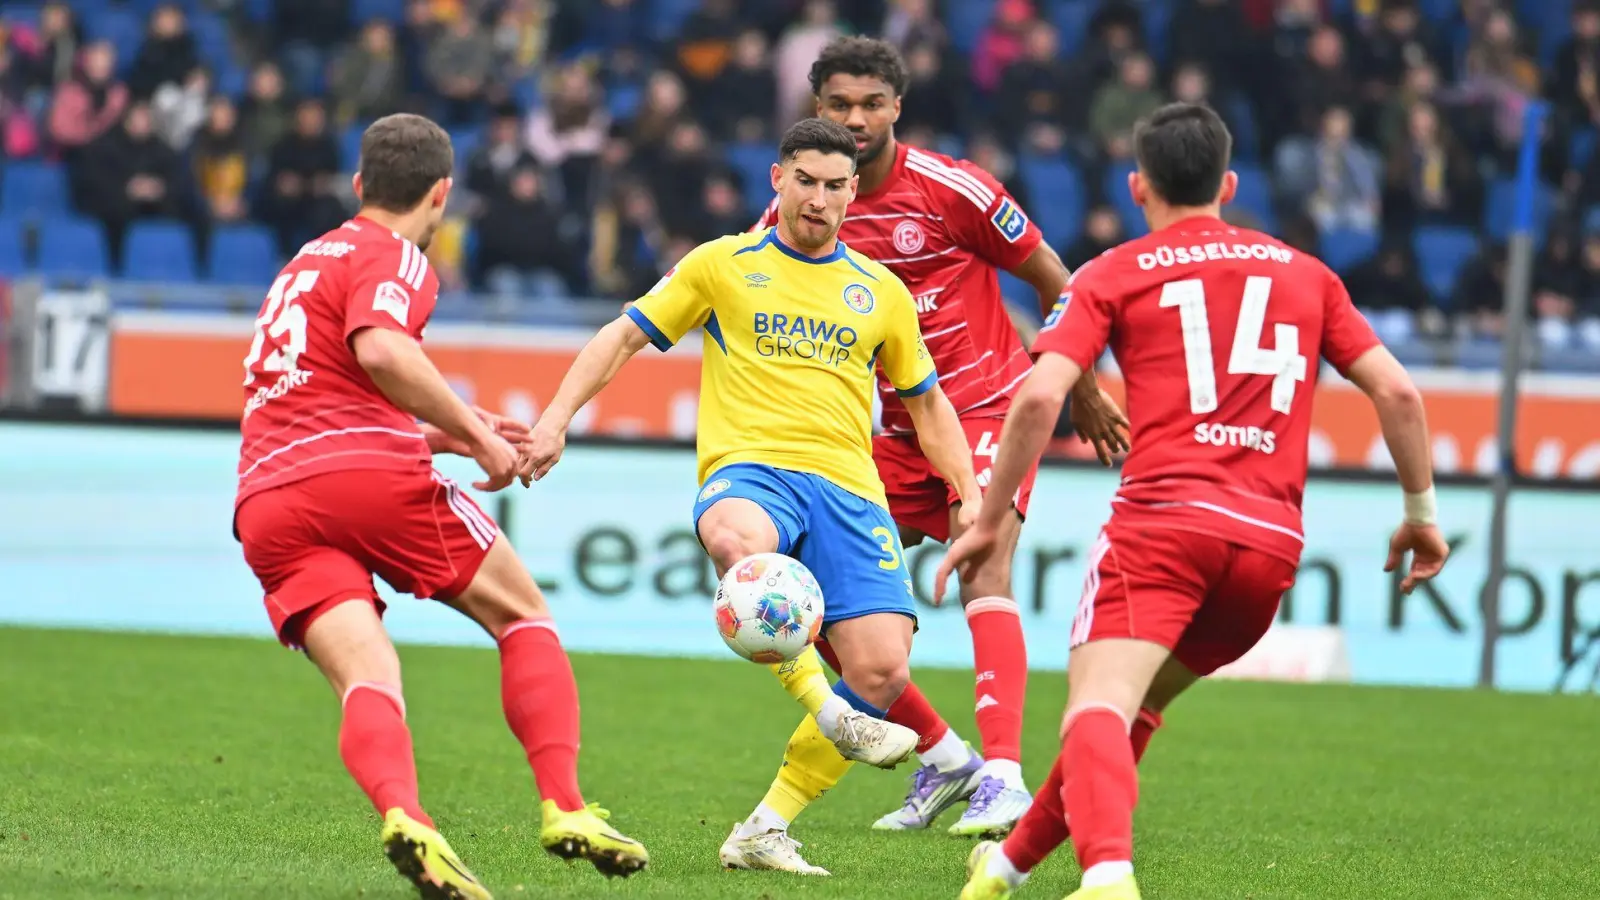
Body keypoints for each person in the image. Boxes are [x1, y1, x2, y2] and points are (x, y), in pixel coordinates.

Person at [945, 102, 1450, 900]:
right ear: (1229, 182)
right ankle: (1004, 868)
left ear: (1137, 185)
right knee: (1127, 714)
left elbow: (1041, 399)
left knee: (1096, 709)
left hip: (1163, 527)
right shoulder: (1308, 274)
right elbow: (1398, 391)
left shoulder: (1115, 270)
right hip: (1268, 550)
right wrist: (1422, 516)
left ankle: (1108, 879)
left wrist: (986, 517)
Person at [519, 116, 983, 874]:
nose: (819, 199)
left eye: (836, 186)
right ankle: (829, 711)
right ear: (778, 179)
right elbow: (622, 336)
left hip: (849, 491)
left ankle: (764, 829)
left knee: (882, 671)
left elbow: (928, 405)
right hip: (753, 469)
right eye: (805, 181)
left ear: (852, 192)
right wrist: (553, 421)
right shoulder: (722, 265)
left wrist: (966, 493)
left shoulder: (880, 292)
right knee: (740, 546)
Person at [231, 113, 648, 900]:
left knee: (368, 676)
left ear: (359, 186)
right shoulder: (398, 254)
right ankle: (564, 805)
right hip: (366, 477)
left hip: (267, 496)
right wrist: (476, 433)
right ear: (441, 195)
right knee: (523, 615)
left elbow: (320, 399)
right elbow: (382, 348)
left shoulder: (303, 262)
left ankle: (408, 818)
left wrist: (441, 436)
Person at [734, 35, 1131, 859]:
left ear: (896, 109)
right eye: (839, 104)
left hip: (984, 407)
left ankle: (1008, 775)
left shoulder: (952, 190)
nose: (856, 118)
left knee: (983, 559)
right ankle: (948, 757)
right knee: (825, 609)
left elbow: (1059, 277)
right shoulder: (800, 209)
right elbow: (744, 290)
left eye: (871, 104)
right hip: (883, 437)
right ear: (817, 111)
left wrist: (1082, 383)